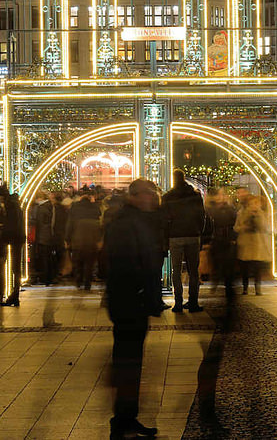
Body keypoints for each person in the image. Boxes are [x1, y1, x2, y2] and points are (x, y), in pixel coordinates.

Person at [104, 179, 162, 439]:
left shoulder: (134, 219)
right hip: (129, 301)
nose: (153, 199)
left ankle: (127, 418)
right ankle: (122, 421)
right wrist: (140, 290)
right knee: (128, 361)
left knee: (131, 362)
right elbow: (125, 263)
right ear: (136, 196)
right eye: (150, 194)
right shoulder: (127, 223)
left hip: (132, 299)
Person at [162, 169, 207, 312]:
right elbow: (202, 216)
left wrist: (167, 236)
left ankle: (178, 302)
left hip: (175, 236)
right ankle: (193, 302)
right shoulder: (195, 195)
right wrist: (199, 232)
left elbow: (164, 219)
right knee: (193, 271)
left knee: (176, 270)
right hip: (193, 235)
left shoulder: (168, 197)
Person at [235, 194, 273, 295]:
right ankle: (245, 288)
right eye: (252, 203)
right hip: (246, 243)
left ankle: (257, 288)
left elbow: (265, 227)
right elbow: (236, 227)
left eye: (256, 203)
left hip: (257, 244)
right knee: (245, 268)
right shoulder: (242, 214)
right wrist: (243, 226)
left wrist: (258, 216)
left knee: (257, 268)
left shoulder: (262, 214)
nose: (254, 205)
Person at [66, 187, 102, 290]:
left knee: (78, 261)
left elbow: (70, 224)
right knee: (89, 263)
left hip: (78, 238)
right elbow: (99, 225)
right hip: (91, 239)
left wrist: (67, 239)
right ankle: (87, 283)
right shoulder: (95, 207)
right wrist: (99, 240)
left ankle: (79, 280)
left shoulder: (74, 207)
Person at [206, 188, 238, 299]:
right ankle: (217, 283)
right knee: (217, 264)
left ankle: (228, 287)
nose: (221, 197)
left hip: (227, 240)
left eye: (222, 195)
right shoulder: (213, 209)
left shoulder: (229, 209)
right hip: (217, 240)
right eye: (219, 195)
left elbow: (234, 222)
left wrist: (233, 238)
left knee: (227, 265)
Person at [0, 185, 25, 307]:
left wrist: (2, 227)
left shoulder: (10, 206)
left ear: (2, 196)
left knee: (14, 268)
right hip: (18, 238)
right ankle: (14, 295)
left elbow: (11, 224)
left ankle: (14, 295)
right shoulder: (15, 204)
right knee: (16, 268)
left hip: (13, 239)